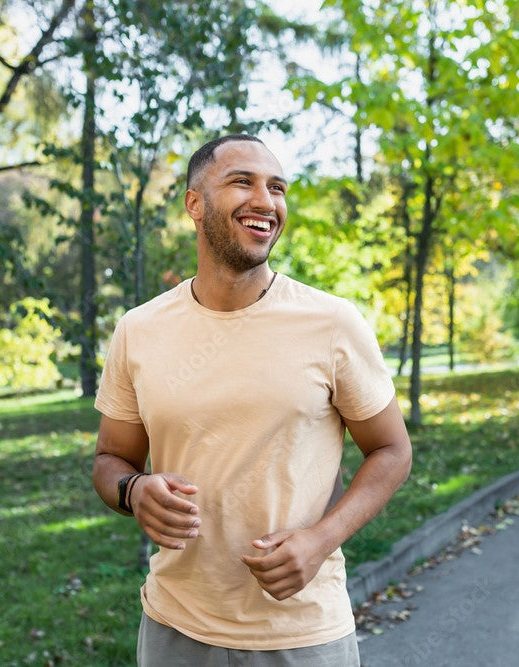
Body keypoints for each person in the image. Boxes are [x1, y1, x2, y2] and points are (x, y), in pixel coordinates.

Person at [92, 133, 413, 666]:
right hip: (175, 627)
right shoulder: (139, 329)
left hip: (303, 632)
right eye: (243, 182)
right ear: (194, 203)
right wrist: (132, 490)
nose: (266, 201)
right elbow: (110, 459)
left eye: (278, 188)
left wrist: (319, 541)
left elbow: (392, 451)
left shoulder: (332, 322)